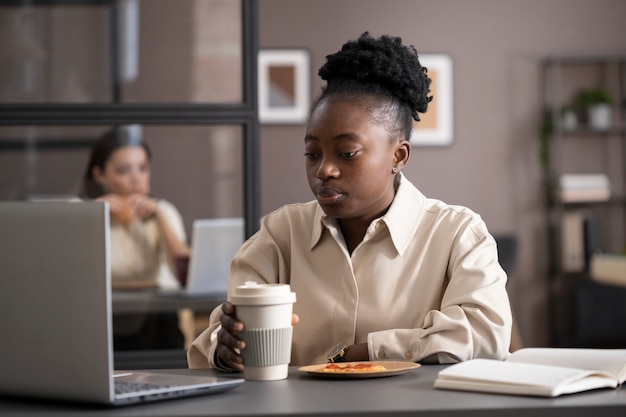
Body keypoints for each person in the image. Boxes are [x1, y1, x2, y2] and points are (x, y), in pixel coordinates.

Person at [188, 32, 512, 370]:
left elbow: (487, 335)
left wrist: (367, 352)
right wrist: (225, 349)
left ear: (398, 156)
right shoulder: (280, 234)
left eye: (347, 153)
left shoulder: (457, 234)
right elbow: (214, 338)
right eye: (312, 153)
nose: (324, 170)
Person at [80, 125, 191, 350]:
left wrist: (159, 217)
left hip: (156, 324)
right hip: (98, 325)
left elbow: (186, 273)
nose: (137, 179)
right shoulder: (81, 213)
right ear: (99, 174)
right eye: (123, 170)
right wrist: (91, 216)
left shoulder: (164, 211)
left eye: (143, 168)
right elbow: (66, 274)